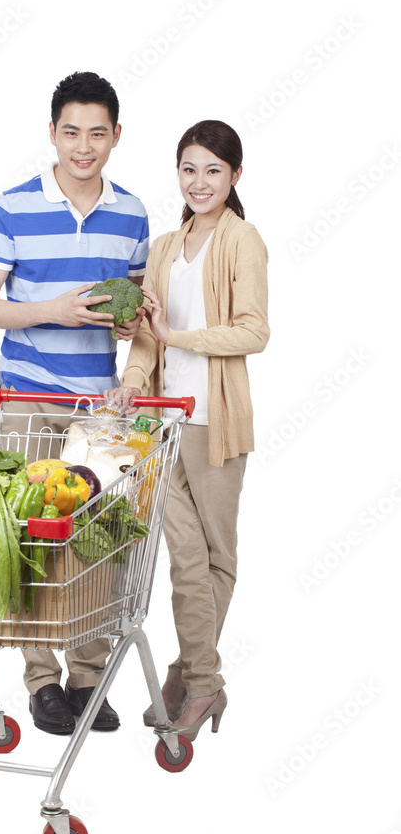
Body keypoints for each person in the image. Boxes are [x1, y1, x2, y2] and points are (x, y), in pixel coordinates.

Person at [0, 71, 149, 735]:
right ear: (52, 133)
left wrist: (129, 324)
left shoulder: (131, 214)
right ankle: (42, 683)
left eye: (96, 133)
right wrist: (52, 311)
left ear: (115, 137)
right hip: (25, 398)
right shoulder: (13, 207)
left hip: (97, 406)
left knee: (99, 542)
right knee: (28, 541)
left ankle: (88, 682)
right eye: (70, 131)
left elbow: (128, 311)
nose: (83, 146)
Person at [105, 119, 269, 741]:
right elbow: (147, 331)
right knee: (182, 557)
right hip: (162, 426)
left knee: (214, 557)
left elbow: (255, 331)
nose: (199, 182)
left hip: (214, 422)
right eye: (189, 169)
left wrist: (182, 338)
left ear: (234, 177)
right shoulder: (166, 246)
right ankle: (205, 682)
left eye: (213, 171)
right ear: (178, 173)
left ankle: (189, 673)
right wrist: (134, 375)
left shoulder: (242, 240)